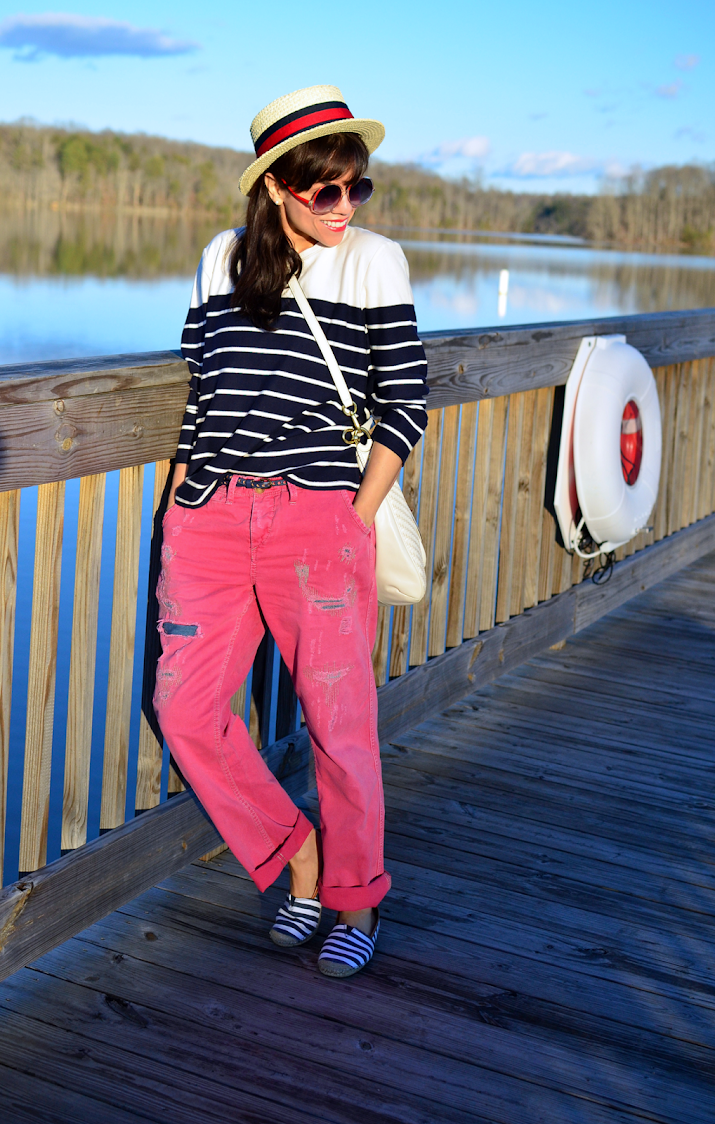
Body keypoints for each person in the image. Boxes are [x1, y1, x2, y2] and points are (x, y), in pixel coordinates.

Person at [154, 85, 428, 978]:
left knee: (337, 725)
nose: (344, 206)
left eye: (357, 187)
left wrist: (349, 515)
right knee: (186, 711)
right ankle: (294, 856)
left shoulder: (374, 263)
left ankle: (352, 898)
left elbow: (405, 405)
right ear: (276, 188)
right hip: (209, 518)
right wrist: (179, 503)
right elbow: (204, 394)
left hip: (317, 517)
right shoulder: (219, 257)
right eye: (325, 191)